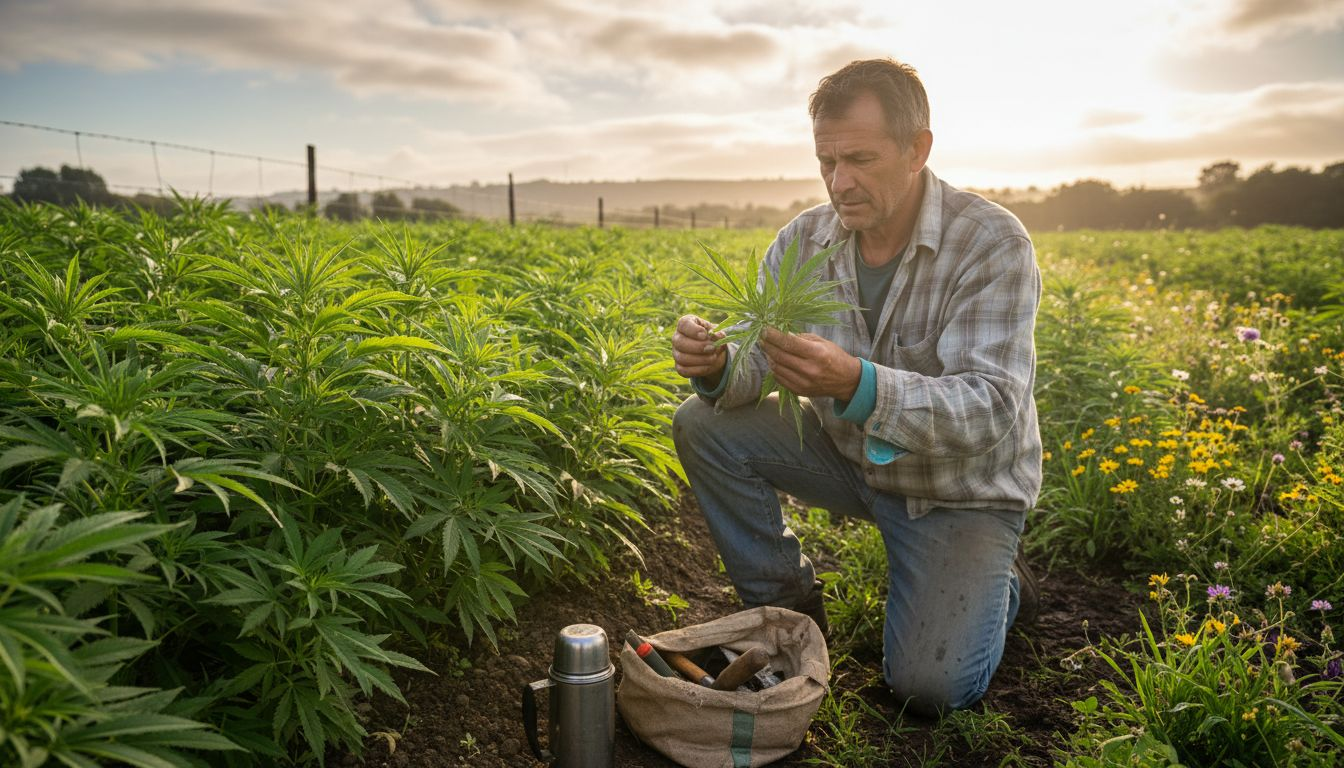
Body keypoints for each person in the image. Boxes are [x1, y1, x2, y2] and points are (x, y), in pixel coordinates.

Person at [669, 58, 1042, 716]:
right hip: (851, 463)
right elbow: (760, 359)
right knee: (703, 423)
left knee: (928, 690)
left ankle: (999, 585)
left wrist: (860, 384)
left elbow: (990, 410)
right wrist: (718, 364)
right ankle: (788, 610)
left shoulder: (989, 244)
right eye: (826, 161)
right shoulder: (805, 238)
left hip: (955, 493)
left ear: (917, 149)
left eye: (861, 159)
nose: (840, 183)